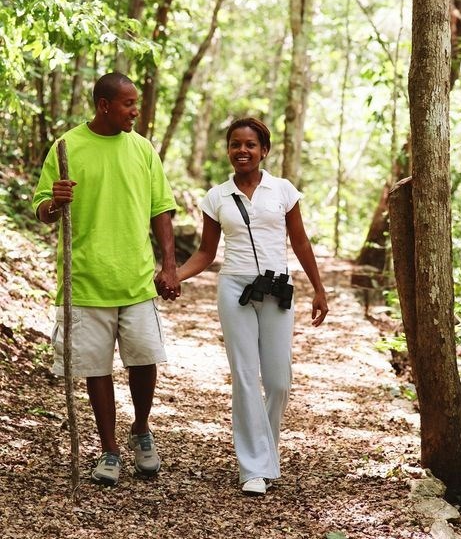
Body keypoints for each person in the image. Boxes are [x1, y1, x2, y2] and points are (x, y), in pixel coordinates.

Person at [32, 72, 180, 487]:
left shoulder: (143, 148)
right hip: (86, 279)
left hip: (134, 278)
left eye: (136, 103)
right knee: (96, 368)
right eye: (129, 103)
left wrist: (168, 265)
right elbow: (42, 209)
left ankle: (141, 430)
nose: (136, 110)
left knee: (144, 360)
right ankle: (110, 449)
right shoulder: (66, 146)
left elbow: (161, 210)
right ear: (104, 106)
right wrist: (55, 203)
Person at [175, 116, 328, 495]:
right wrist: (175, 275)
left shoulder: (283, 191)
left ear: (264, 150)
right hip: (235, 289)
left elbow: (301, 243)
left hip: (277, 290)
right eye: (235, 144)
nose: (242, 151)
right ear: (228, 150)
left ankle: (265, 451)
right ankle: (253, 468)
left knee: (278, 381)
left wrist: (319, 289)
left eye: (250, 145)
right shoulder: (216, 197)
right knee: (244, 376)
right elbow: (207, 253)